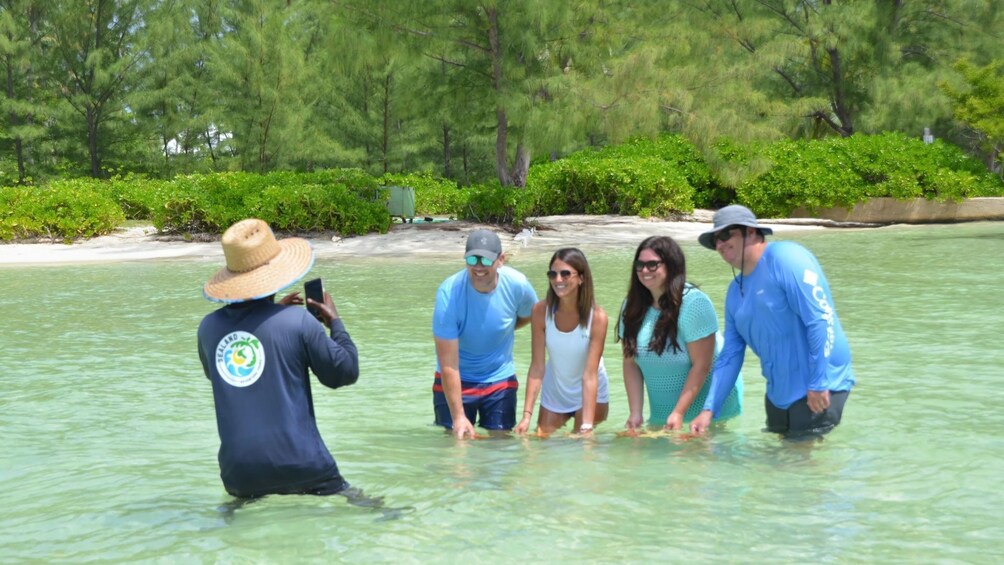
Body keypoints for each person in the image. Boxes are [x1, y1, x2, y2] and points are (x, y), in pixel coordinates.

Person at [197, 218, 359, 499]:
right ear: (276, 273)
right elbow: (344, 372)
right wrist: (335, 323)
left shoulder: (208, 328)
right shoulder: (297, 321)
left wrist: (270, 316)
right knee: (359, 501)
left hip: (240, 474)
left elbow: (224, 377)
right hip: (302, 464)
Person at [691, 205, 855, 438]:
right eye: (715, 239)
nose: (719, 244)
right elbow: (730, 355)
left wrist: (818, 382)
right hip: (778, 394)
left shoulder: (786, 258)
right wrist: (709, 410)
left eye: (726, 235)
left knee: (800, 465)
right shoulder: (734, 292)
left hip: (819, 385)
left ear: (750, 232)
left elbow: (820, 319)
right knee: (779, 464)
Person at [618, 236, 742, 431]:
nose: (644, 270)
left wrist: (679, 412)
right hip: (663, 412)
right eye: (639, 264)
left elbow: (702, 365)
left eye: (652, 265)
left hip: (706, 410)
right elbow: (630, 362)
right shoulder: (631, 306)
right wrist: (635, 413)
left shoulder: (693, 304)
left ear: (671, 266)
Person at [432, 229, 539, 439]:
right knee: (456, 447)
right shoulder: (448, 293)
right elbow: (448, 365)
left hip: (499, 379)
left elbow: (532, 315)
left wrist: (507, 328)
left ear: (501, 260)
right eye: (472, 259)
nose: (478, 267)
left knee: (501, 449)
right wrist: (459, 416)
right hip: (456, 380)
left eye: (485, 260)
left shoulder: (518, 285)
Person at [515, 248, 609, 437]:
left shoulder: (597, 317)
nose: (558, 280)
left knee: (580, 443)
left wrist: (586, 426)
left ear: (581, 277)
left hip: (591, 391)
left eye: (565, 274)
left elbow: (590, 375)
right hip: (555, 391)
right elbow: (537, 367)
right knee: (540, 442)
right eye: (553, 274)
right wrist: (526, 416)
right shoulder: (540, 311)